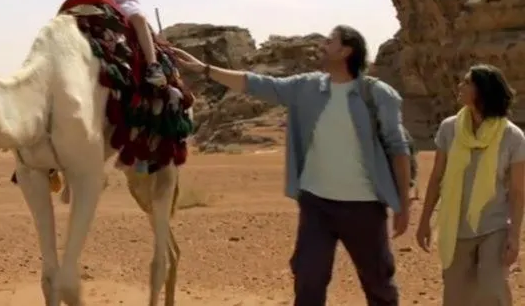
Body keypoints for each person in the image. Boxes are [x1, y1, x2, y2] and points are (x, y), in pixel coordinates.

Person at [171, 25, 411, 306]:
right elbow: (256, 83)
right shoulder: (307, 87)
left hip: (365, 207)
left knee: (378, 284)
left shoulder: (378, 94)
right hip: (316, 204)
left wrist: (403, 205)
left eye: (330, 41)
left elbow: (398, 149)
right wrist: (205, 70)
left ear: (346, 50)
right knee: (308, 280)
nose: (323, 44)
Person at [416, 64, 523, 306]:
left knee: (491, 288)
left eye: (466, 82)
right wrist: (424, 221)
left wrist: (514, 236)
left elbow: (517, 192)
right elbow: (436, 178)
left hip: (494, 226)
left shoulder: (512, 137)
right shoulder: (449, 129)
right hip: (456, 226)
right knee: (456, 296)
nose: (460, 86)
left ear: (482, 91)